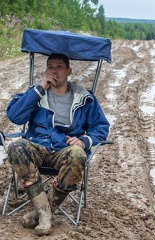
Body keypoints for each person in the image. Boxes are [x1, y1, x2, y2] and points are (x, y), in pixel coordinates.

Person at [7, 53, 110, 236]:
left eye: (59, 67)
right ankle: (44, 212)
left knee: (79, 154)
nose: (54, 70)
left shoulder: (84, 97)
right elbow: (15, 116)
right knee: (16, 147)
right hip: (38, 145)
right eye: (50, 66)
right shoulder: (36, 93)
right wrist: (39, 89)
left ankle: (43, 212)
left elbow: (101, 127)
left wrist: (84, 141)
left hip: (64, 149)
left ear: (69, 71)